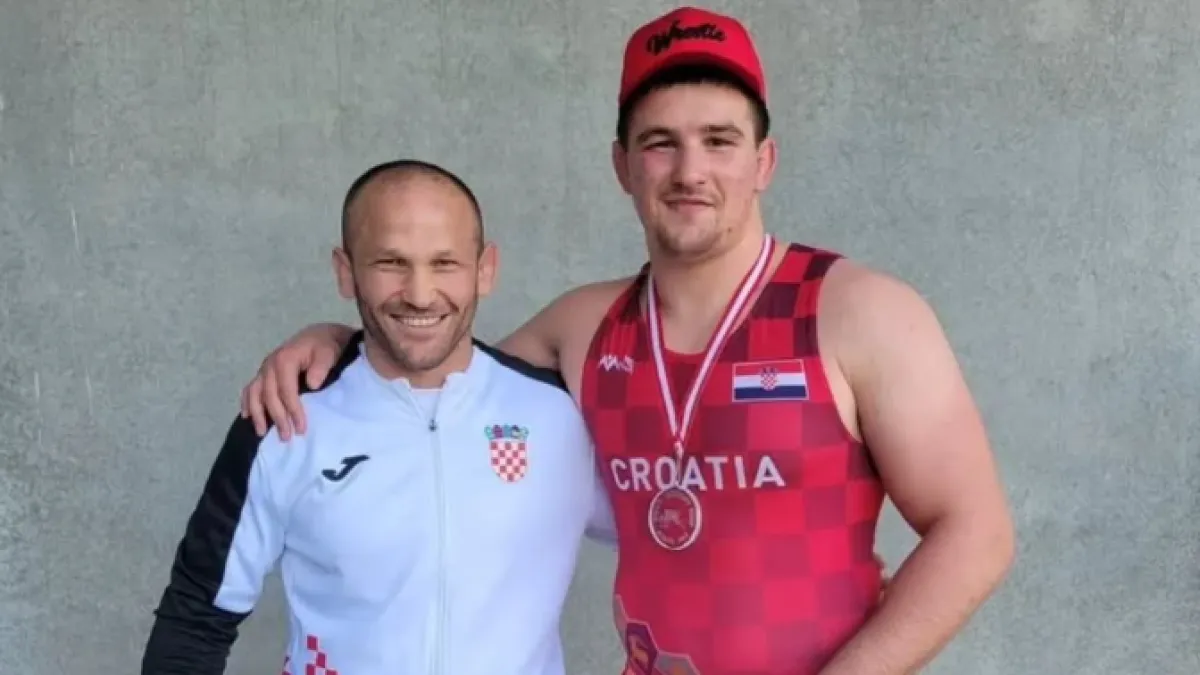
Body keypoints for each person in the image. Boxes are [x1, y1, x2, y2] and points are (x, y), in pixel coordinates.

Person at [239, 6, 1016, 675]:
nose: (690, 170)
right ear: (622, 166)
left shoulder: (857, 312)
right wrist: (337, 340)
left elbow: (976, 532)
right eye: (660, 142)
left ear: (764, 161)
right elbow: (434, 377)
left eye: (719, 140)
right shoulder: (583, 327)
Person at [141, 159, 616, 675]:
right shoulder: (286, 416)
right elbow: (194, 621)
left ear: (485, 269)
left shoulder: (562, 414)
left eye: (445, 263)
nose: (419, 293)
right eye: (391, 262)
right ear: (346, 272)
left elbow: (669, 538)